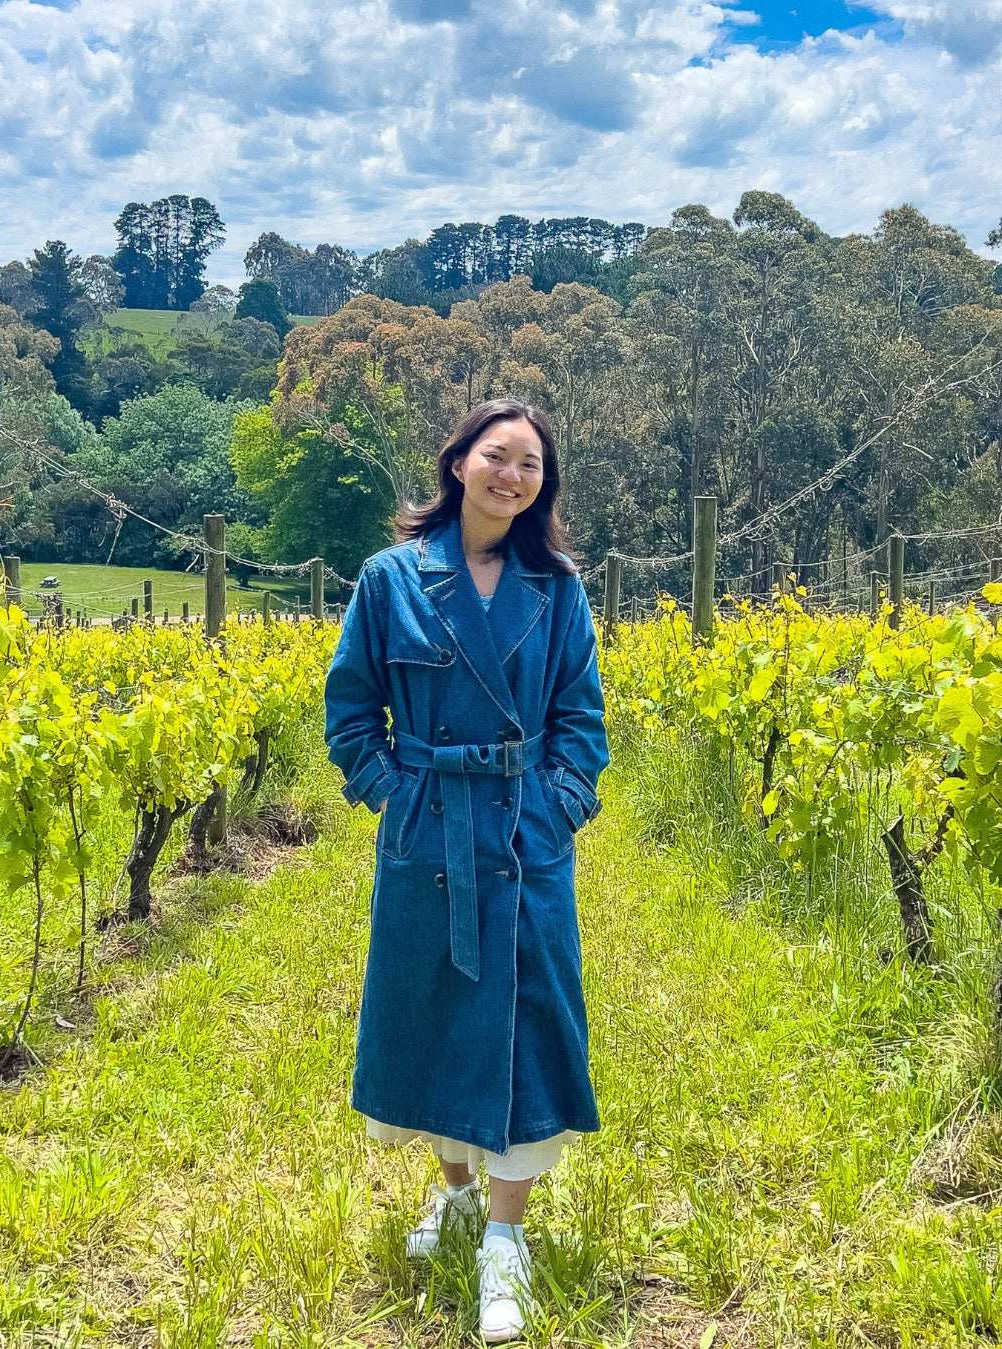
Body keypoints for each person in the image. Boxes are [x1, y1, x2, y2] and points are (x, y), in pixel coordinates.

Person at [323, 397, 609, 1343]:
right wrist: (397, 797)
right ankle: (452, 1197)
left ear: (542, 485)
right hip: (430, 833)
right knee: (436, 1013)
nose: (512, 476)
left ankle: (504, 1239)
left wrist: (555, 805)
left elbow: (582, 722)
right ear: (458, 463)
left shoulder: (558, 590)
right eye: (498, 456)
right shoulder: (388, 579)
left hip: (527, 840)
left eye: (531, 465)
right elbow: (352, 712)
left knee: (529, 1024)